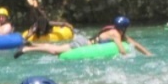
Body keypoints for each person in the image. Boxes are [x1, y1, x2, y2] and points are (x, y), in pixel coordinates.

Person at [14, 16, 152, 58]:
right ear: (124, 27)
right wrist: (128, 56)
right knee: (54, 50)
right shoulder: (116, 33)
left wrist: (147, 53)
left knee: (55, 50)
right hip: (83, 44)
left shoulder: (116, 31)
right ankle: (28, 49)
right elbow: (122, 50)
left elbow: (134, 43)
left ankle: (31, 46)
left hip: (84, 43)